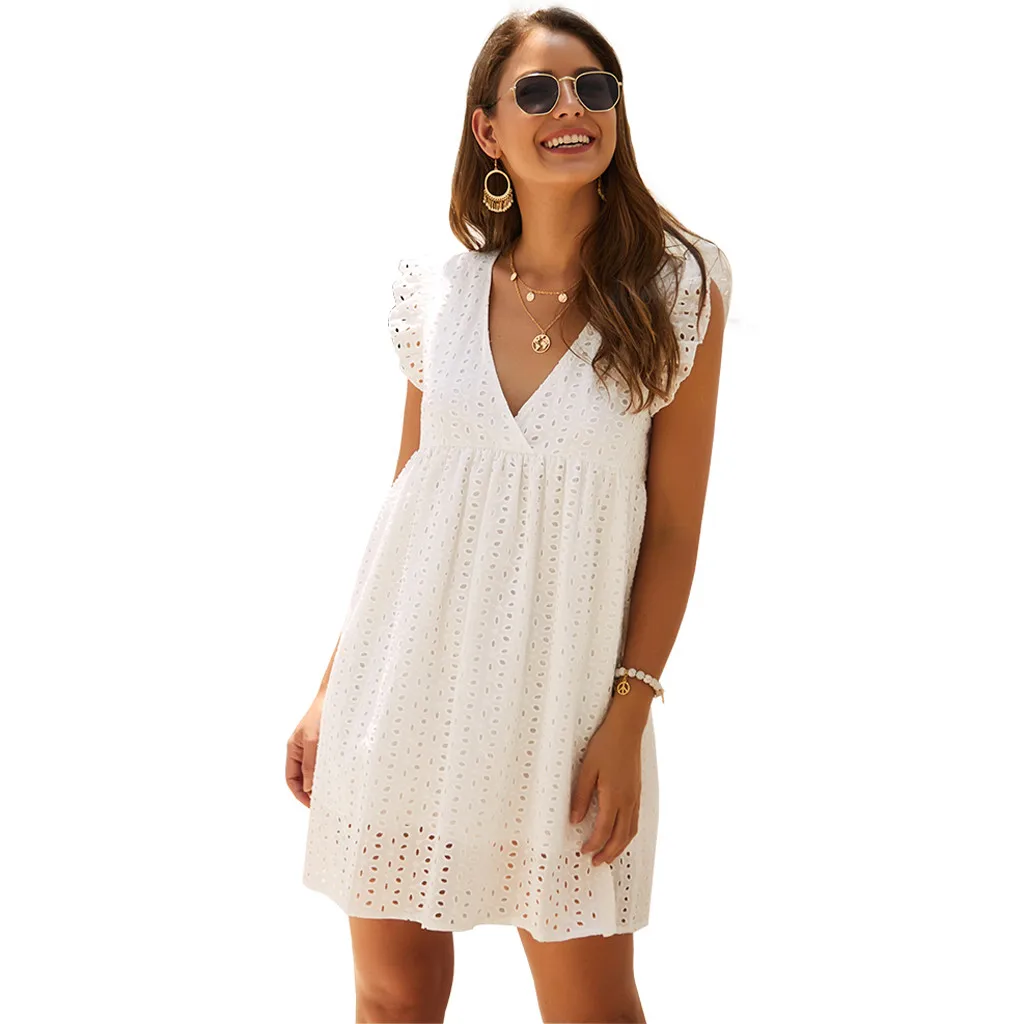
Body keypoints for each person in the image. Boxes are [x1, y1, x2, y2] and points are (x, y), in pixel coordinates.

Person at [286, 8, 732, 1022]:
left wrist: (629, 713)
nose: (570, 107)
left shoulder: (677, 287)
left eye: (593, 87)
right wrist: (329, 690)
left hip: (566, 709)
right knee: (393, 998)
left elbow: (673, 527)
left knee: (591, 1006)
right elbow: (409, 506)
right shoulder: (437, 298)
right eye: (537, 91)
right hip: (403, 693)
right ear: (487, 130)